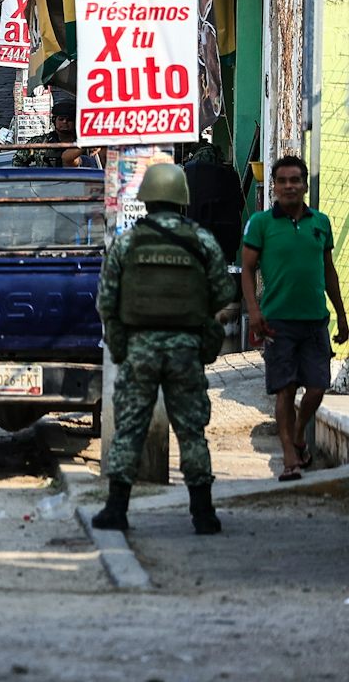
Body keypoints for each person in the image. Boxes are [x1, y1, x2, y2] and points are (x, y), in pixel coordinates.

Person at [93, 162, 237, 535]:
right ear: (181, 199)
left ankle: (116, 509)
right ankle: (203, 513)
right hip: (186, 348)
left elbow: (107, 300)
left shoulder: (127, 242)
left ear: (146, 200)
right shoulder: (201, 240)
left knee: (129, 429)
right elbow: (223, 293)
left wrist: (121, 344)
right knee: (191, 430)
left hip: (140, 345)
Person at [241, 155, 349, 481]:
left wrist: (342, 316)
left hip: (315, 319)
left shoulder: (321, 222)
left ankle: (300, 434)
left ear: (304, 185)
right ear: (273, 186)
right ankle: (290, 457)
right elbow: (247, 269)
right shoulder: (260, 223)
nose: (289, 186)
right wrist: (254, 311)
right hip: (277, 321)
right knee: (285, 390)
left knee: (317, 388)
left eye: (295, 180)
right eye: (282, 181)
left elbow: (328, 271)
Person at [13, 97, 81, 168]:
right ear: (54, 120)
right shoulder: (41, 142)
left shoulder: (83, 143)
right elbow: (18, 160)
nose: (65, 122)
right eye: (61, 119)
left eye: (69, 119)